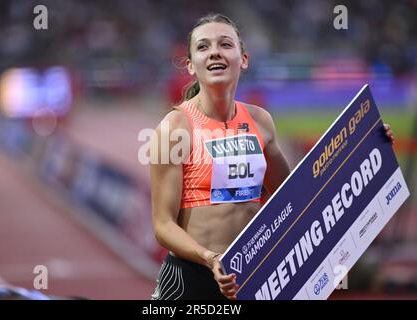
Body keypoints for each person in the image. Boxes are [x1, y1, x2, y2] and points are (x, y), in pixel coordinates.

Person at [149, 13, 395, 300]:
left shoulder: (260, 121)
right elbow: (162, 224)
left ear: (243, 59)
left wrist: (365, 149)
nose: (215, 51)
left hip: (251, 279)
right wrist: (209, 257)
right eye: (203, 47)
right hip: (191, 279)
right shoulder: (174, 128)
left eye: (225, 44)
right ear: (191, 65)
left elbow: (293, 197)